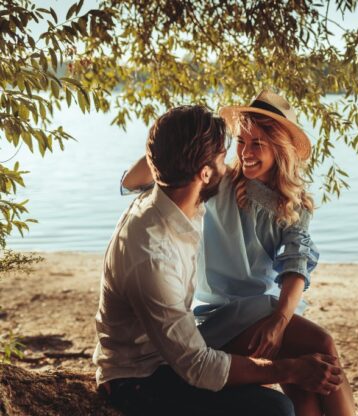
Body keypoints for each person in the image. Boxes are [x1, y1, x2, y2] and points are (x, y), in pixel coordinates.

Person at [95, 105, 344, 416]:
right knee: (280, 403)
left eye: (256, 143)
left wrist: (187, 138)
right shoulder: (158, 250)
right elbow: (197, 366)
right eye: (232, 147)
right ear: (205, 171)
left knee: (313, 363)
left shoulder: (186, 197)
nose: (232, 160)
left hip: (185, 343)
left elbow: (297, 260)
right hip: (145, 374)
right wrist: (288, 370)